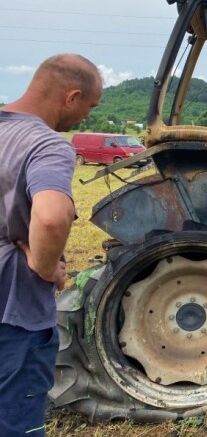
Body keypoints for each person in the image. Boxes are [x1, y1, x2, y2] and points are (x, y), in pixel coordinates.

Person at [0, 54, 102, 436]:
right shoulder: (46, 145)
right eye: (90, 107)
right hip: (14, 309)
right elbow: (51, 216)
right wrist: (45, 266)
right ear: (71, 97)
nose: (87, 117)